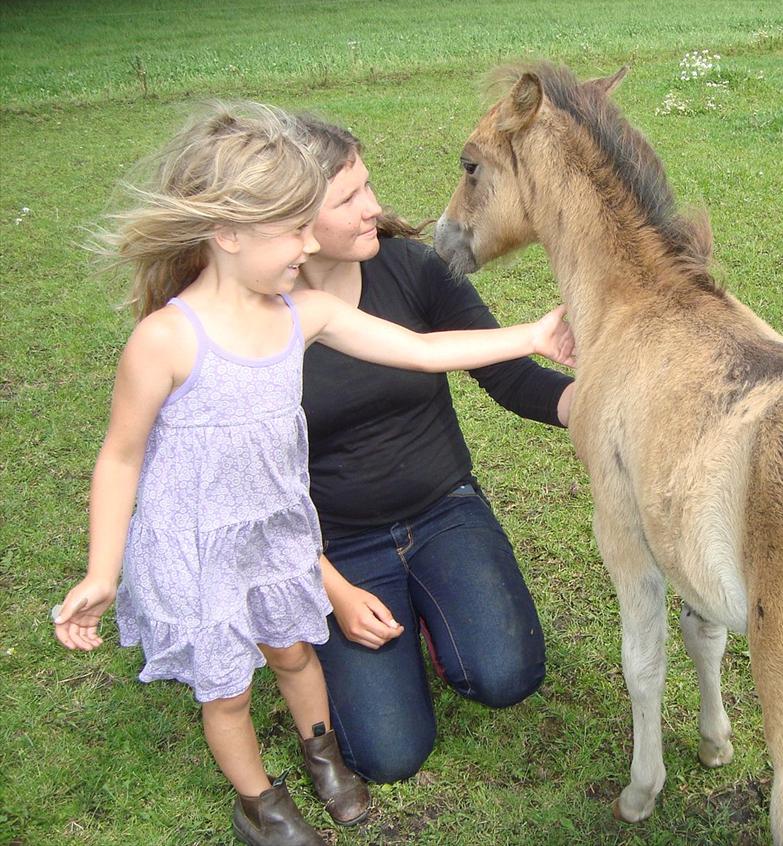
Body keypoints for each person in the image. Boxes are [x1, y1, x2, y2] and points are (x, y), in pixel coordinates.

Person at [51, 101, 575, 846]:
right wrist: (105, 572)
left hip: (357, 524)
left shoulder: (324, 304)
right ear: (231, 231)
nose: (369, 213)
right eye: (307, 220)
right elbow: (127, 458)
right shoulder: (172, 337)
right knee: (287, 713)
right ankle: (260, 800)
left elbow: (429, 351)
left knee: (357, 662)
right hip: (260, 550)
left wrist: (542, 343)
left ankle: (338, 731)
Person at [292, 113, 575, 784]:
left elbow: (509, 378)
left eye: (369, 187)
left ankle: (435, 605)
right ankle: (332, 629)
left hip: (441, 507)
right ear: (292, 222)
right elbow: (253, 490)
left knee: (508, 675)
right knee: (389, 755)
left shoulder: (409, 269)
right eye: (349, 199)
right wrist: (329, 588)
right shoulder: (254, 326)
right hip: (336, 545)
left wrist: (598, 411)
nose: (376, 209)